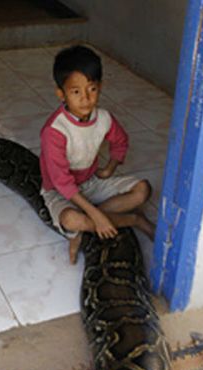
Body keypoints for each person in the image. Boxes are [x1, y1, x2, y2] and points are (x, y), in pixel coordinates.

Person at [39, 45, 155, 264]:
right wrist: (97, 215)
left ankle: (89, 221)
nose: (85, 99)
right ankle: (133, 220)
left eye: (91, 89)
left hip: (90, 182)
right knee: (72, 219)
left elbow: (120, 141)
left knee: (142, 190)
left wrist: (110, 167)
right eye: (75, 92)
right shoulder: (54, 131)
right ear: (61, 94)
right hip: (58, 191)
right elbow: (62, 182)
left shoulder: (103, 118)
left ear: (100, 87)